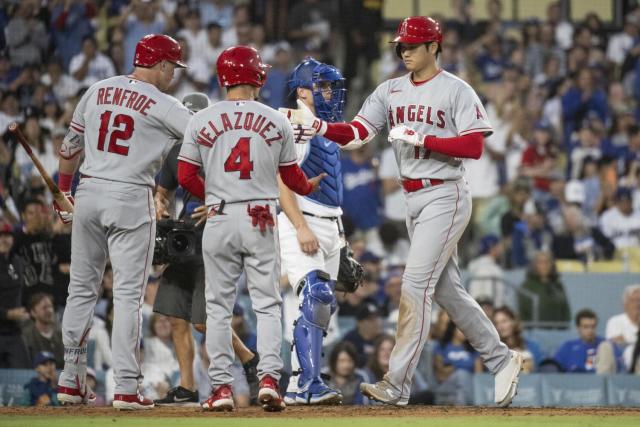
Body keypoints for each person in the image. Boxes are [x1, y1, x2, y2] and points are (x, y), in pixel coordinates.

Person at [280, 15, 523, 407]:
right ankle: (502, 359)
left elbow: (474, 146)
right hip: (412, 198)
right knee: (446, 290)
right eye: (401, 45)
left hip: (446, 192)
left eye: (412, 45)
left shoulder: (455, 90)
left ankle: (397, 383)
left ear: (434, 47)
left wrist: (426, 138)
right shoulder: (390, 90)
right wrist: (320, 127)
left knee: (414, 284)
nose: (405, 51)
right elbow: (358, 134)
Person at [176, 45, 324, 412]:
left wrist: (211, 196)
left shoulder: (200, 119)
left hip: (220, 216)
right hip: (259, 216)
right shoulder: (275, 119)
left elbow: (184, 176)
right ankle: (270, 379)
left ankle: (222, 388)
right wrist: (307, 188)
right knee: (267, 304)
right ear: (256, 76)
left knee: (218, 308)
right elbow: (292, 177)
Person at [53, 34, 193, 410]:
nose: (174, 75)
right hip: (131, 196)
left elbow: (69, 148)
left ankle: (70, 380)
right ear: (161, 65)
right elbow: (204, 137)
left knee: (80, 290)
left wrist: (64, 190)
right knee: (129, 295)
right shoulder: (165, 104)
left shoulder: (96, 90)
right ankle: (127, 388)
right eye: (172, 68)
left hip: (89, 192)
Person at [152, 93, 259, 406]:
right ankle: (186, 386)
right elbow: (163, 192)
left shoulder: (223, 149)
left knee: (202, 320)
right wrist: (161, 207)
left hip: (217, 236)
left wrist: (217, 206)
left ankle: (249, 359)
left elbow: (244, 187)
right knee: (174, 315)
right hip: (184, 237)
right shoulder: (174, 152)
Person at [277, 57, 346, 406]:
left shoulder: (323, 125)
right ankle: (308, 381)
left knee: (322, 305)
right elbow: (282, 182)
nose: (330, 92)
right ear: (302, 91)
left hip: (331, 222)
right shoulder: (296, 126)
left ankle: (299, 382)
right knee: (315, 296)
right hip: (302, 219)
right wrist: (300, 226)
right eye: (322, 85)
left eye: (332, 85)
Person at [0, 222, 31, 368]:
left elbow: (22, 291)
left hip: (14, 330)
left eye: (7, 235)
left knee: (23, 374)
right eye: (0, 236)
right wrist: (7, 314)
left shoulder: (17, 261)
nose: (4, 239)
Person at [553, 309, 621, 373]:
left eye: (593, 326)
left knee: (605, 347)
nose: (590, 330)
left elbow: (618, 367)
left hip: (599, 383)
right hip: (572, 383)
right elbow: (553, 367)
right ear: (578, 328)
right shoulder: (568, 347)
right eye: (586, 327)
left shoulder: (606, 345)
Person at [518, 251, 570, 323]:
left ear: (552, 264)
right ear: (535, 265)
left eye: (547, 262)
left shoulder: (558, 286)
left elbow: (565, 309)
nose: (544, 266)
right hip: (534, 331)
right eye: (541, 262)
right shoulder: (527, 286)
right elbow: (523, 312)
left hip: (558, 331)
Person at [22, 293, 64, 367]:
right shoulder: (26, 337)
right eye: (44, 308)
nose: (49, 310)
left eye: (50, 307)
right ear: (33, 313)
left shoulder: (62, 336)